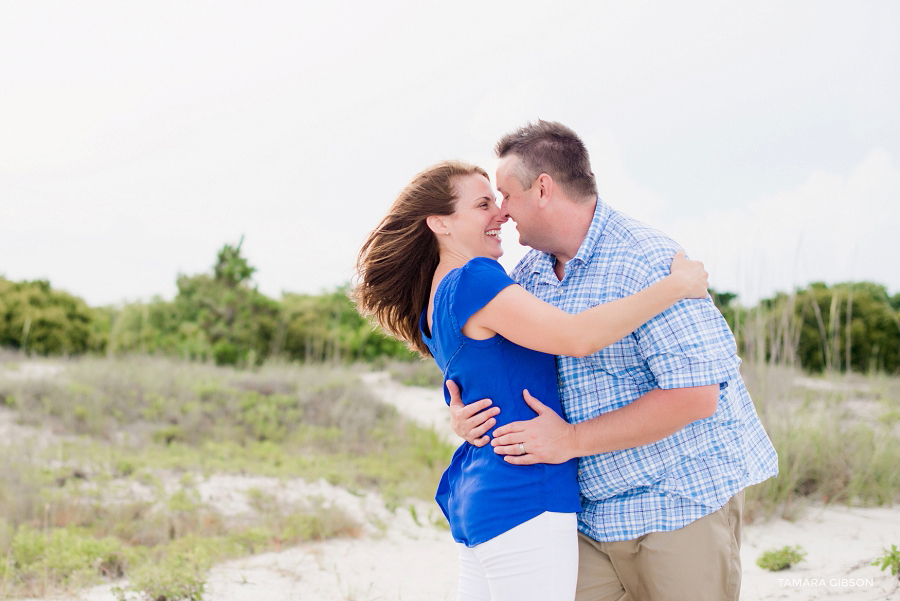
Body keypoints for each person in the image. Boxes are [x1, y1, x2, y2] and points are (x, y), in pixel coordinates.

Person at [449, 121, 779, 601]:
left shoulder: (649, 261)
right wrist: (465, 414)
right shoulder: (529, 276)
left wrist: (572, 439)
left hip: (678, 502)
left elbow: (696, 396)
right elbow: (508, 366)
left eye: (505, 195)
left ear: (543, 189)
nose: (501, 212)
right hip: (589, 515)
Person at [354, 160, 709, 601]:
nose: (500, 213)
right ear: (440, 223)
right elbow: (574, 337)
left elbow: (479, 377)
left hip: (482, 492)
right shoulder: (474, 278)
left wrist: (459, 414)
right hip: (524, 490)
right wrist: (675, 285)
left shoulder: (433, 301)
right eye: (483, 204)